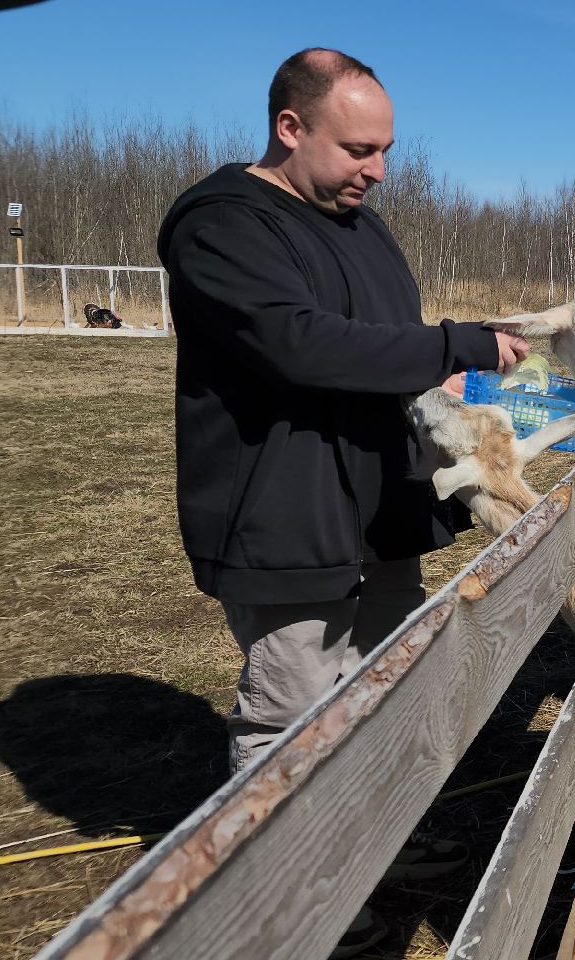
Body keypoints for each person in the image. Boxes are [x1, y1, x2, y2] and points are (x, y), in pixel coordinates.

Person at [156, 47, 527, 957]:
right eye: (359, 149)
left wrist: (446, 379)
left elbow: (387, 346)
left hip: (376, 509)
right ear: (291, 127)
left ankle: (379, 847)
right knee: (292, 708)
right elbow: (300, 345)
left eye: (386, 150)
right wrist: (456, 343)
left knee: (386, 690)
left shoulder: (364, 227)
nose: (379, 170)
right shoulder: (223, 225)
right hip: (285, 514)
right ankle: (289, 897)